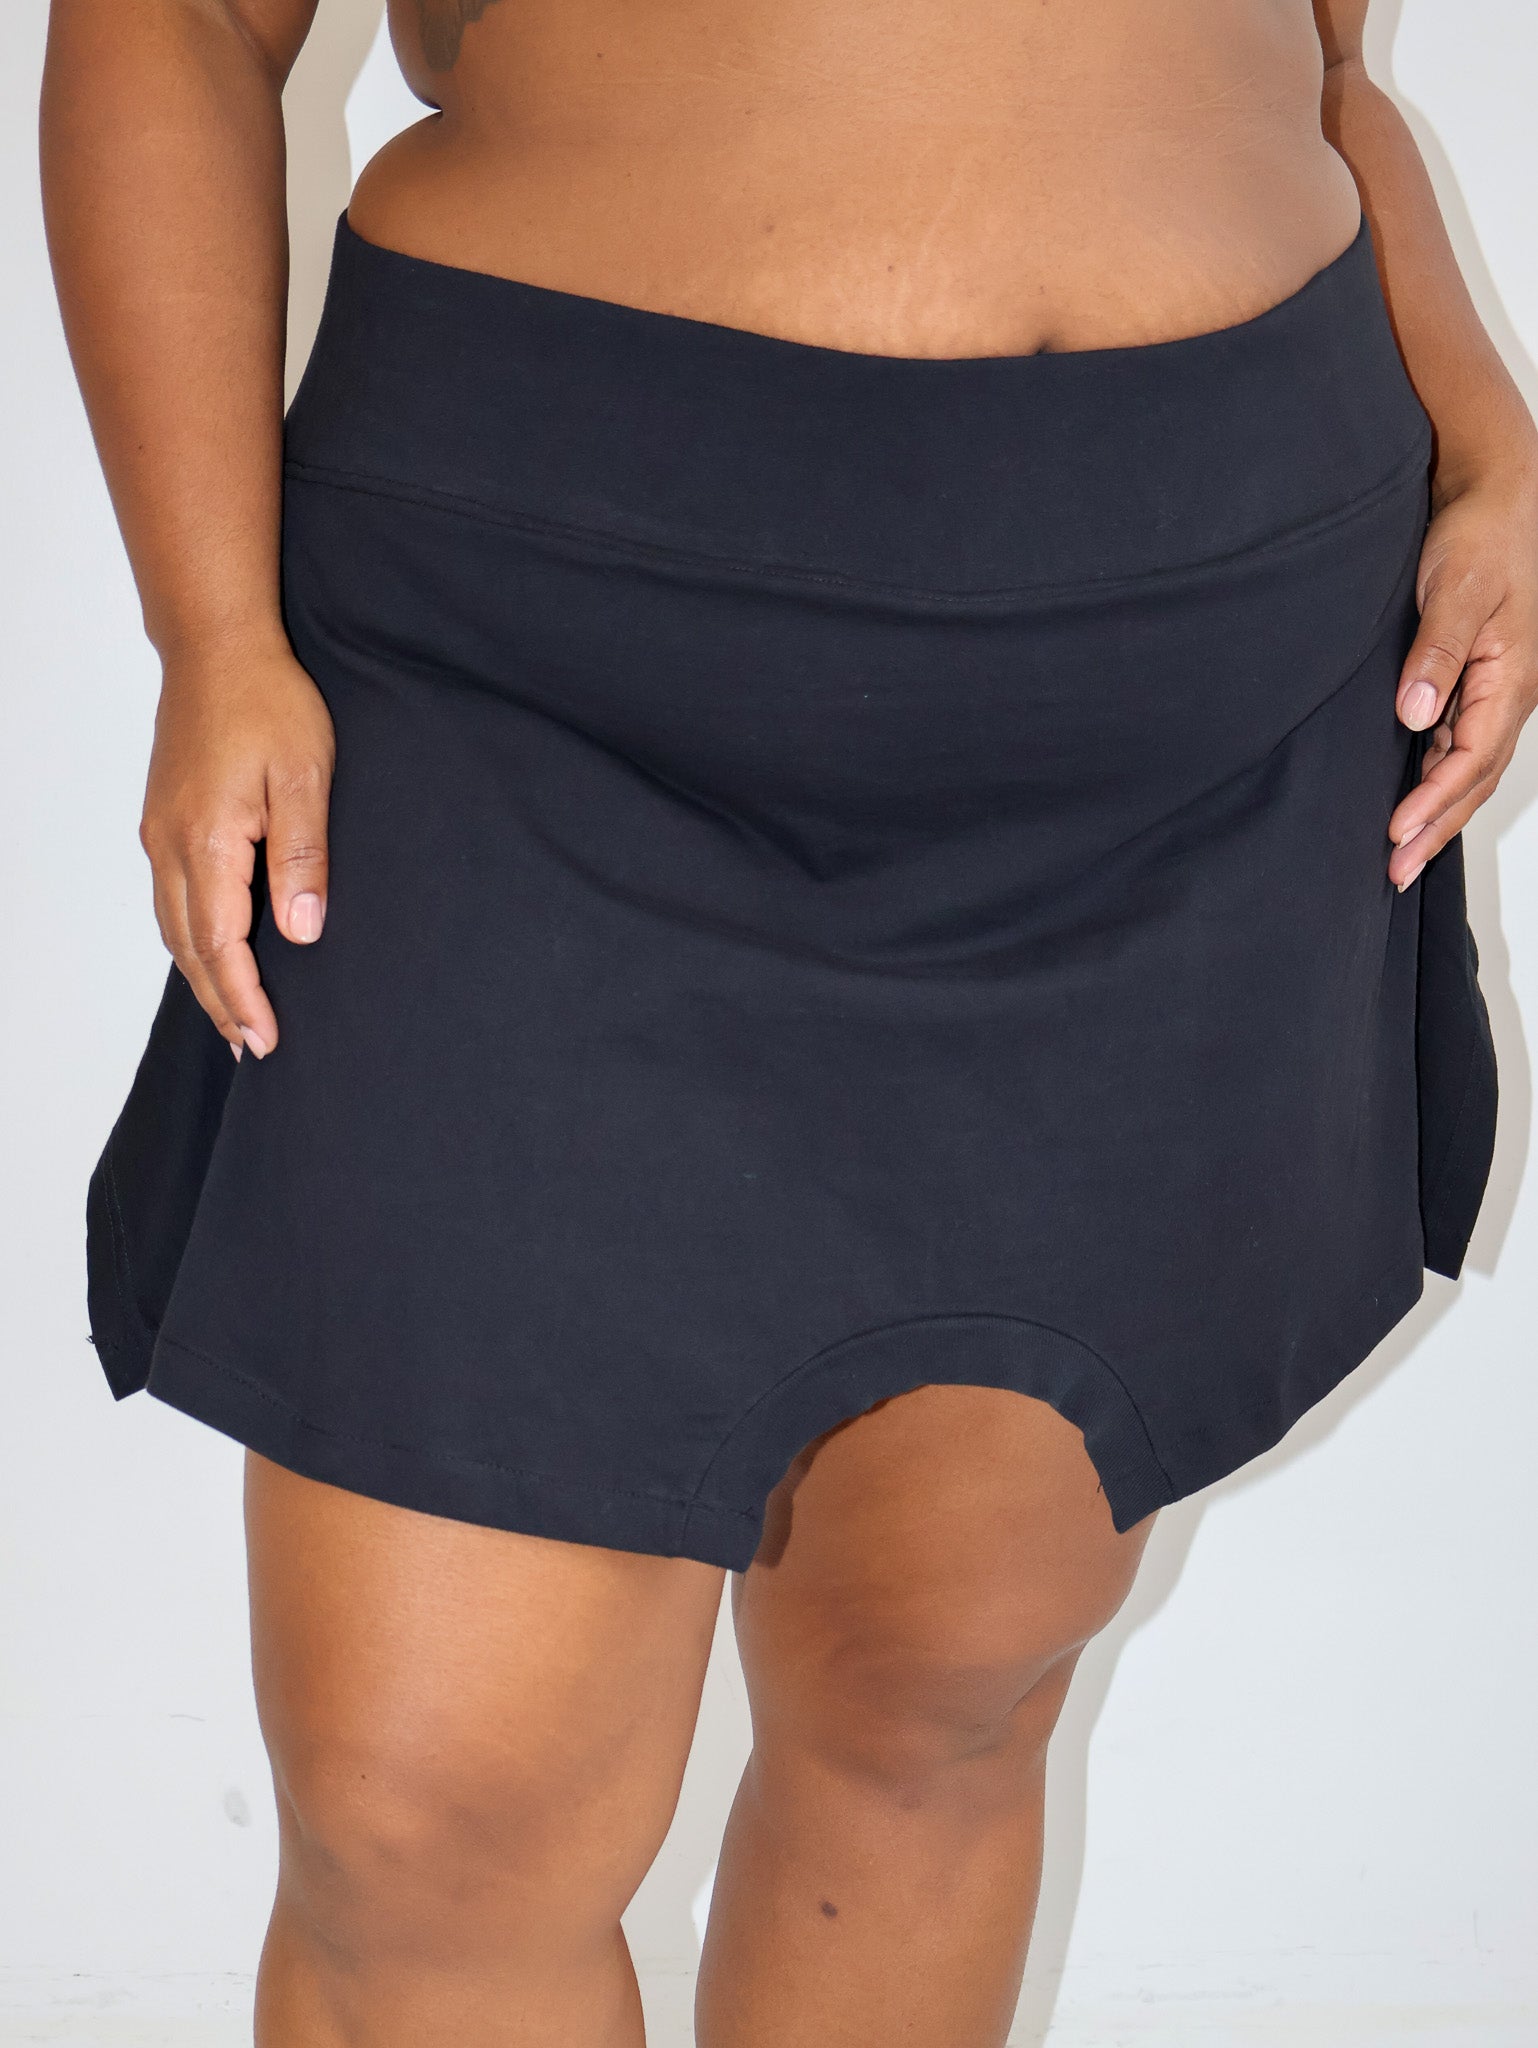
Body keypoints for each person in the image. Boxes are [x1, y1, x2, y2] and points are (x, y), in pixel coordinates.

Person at [39, 0, 1533, 2041]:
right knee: (432, 1833)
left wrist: (1488, 437)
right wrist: (211, 629)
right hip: (541, 668)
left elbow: (1320, 63)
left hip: (1187, 692)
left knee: (934, 1690)